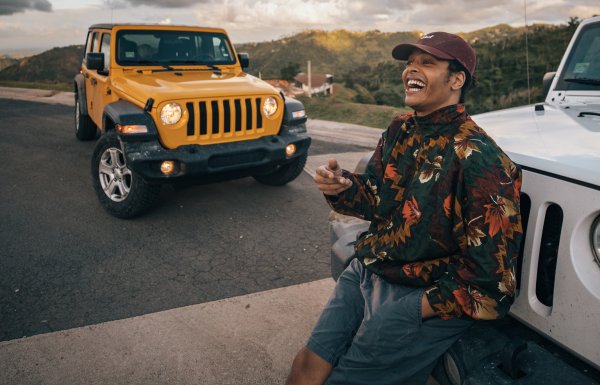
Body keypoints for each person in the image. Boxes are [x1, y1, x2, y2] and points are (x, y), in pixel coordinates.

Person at [285, 32, 523, 385]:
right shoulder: (400, 129)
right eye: (411, 62)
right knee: (306, 366)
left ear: (457, 80)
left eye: (427, 63)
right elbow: (378, 197)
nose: (412, 69)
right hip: (368, 269)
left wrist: (408, 311)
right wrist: (343, 186)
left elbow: (492, 283)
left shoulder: (482, 160)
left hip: (418, 295)